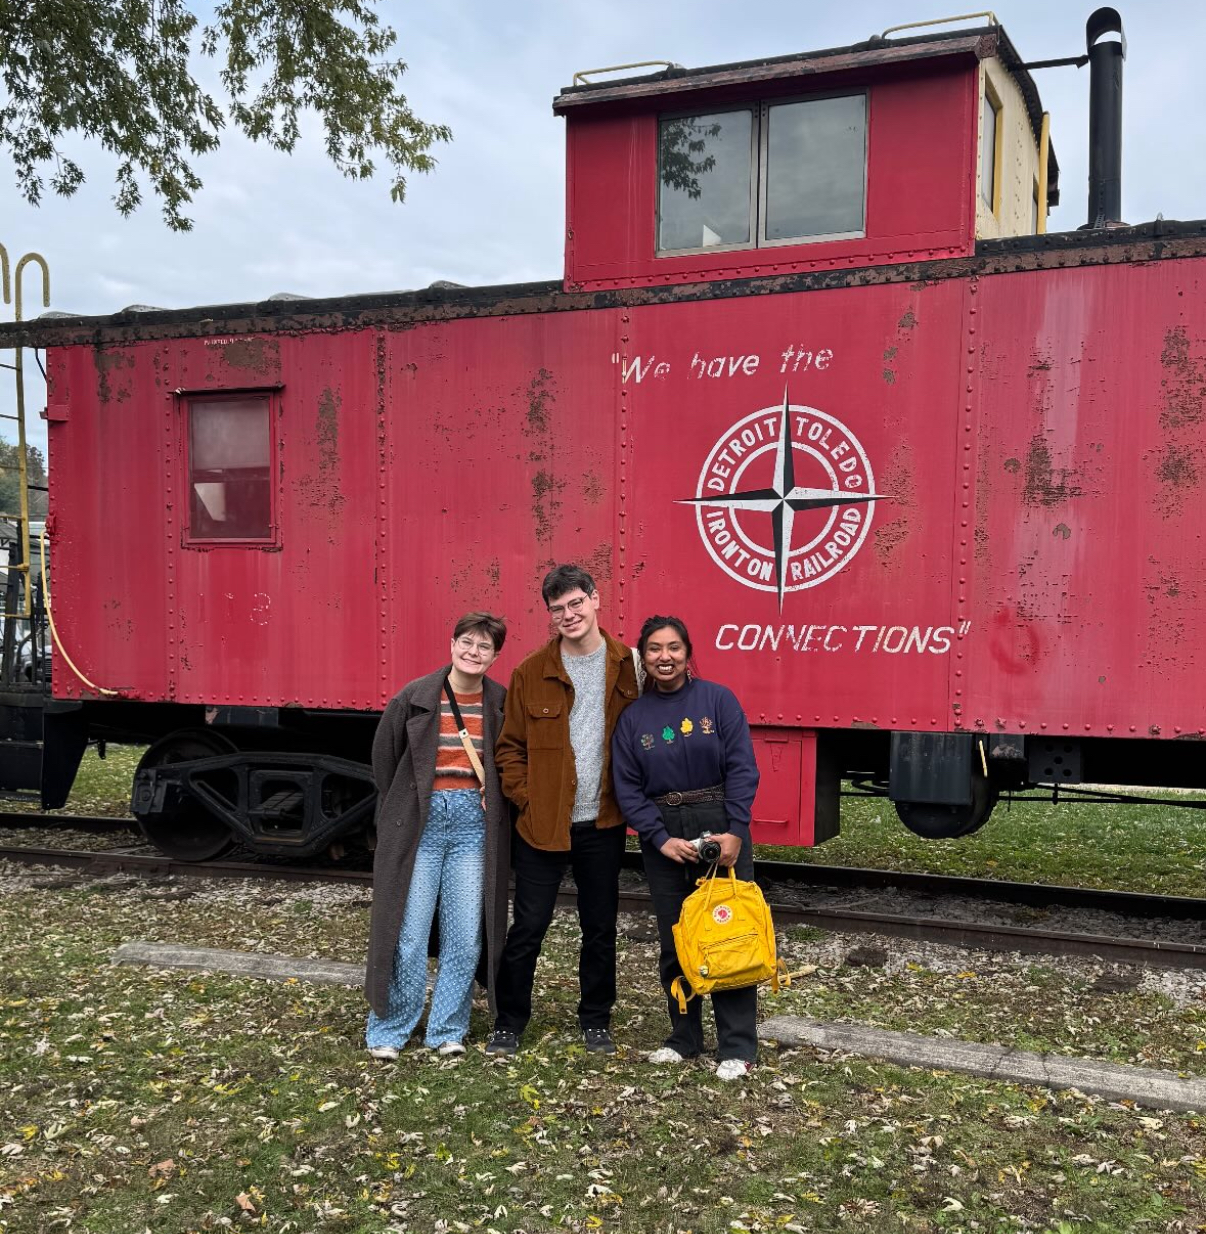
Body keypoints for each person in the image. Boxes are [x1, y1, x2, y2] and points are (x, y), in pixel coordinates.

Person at [485, 564, 641, 1056]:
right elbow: (510, 748)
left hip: (603, 821)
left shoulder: (628, 665)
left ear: (596, 600)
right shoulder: (531, 671)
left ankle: (596, 1019)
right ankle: (509, 1022)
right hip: (542, 824)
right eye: (558, 609)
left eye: (576, 603)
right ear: (550, 616)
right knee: (528, 927)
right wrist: (527, 799)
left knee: (599, 926)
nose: (569, 615)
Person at [611, 615, 761, 1082]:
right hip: (666, 834)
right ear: (644, 656)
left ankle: (737, 1046)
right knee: (677, 940)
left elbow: (742, 767)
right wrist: (658, 838)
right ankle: (684, 1037)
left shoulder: (718, 700)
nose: (665, 657)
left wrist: (735, 830)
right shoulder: (633, 718)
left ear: (687, 651)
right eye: (654, 649)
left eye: (673, 647)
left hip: (720, 826)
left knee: (728, 935)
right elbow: (628, 786)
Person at [364, 612, 509, 1059]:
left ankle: (448, 1029)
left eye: (484, 647)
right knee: (406, 934)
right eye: (467, 642)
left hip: (473, 828)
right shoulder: (415, 696)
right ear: (451, 644)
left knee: (465, 936)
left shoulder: (500, 701)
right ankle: (390, 1028)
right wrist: (405, 809)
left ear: (495, 655)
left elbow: (507, 763)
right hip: (420, 825)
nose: (473, 652)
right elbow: (385, 761)